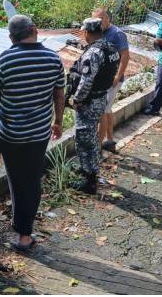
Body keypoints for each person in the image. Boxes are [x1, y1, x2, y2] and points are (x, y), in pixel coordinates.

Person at [0, 14, 66, 252]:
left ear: (11, 37)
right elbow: (59, 94)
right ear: (35, 29)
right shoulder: (53, 58)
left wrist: (0, 92)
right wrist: (58, 122)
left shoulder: (7, 58)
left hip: (7, 133)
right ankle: (24, 237)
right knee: (28, 183)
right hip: (38, 135)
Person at [67, 18, 120, 194]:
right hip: (101, 98)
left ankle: (89, 180)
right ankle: (89, 169)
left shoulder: (94, 52)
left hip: (89, 102)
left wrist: (77, 99)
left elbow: (86, 80)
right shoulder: (110, 47)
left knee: (84, 139)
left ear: (86, 32)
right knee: (91, 136)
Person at [92, 8, 130, 153]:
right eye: (95, 20)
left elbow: (125, 56)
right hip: (102, 80)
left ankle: (98, 147)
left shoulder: (117, 34)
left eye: (100, 19)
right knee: (107, 110)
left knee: (102, 111)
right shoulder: (97, 32)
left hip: (112, 80)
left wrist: (117, 76)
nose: (98, 23)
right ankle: (110, 140)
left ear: (108, 18)